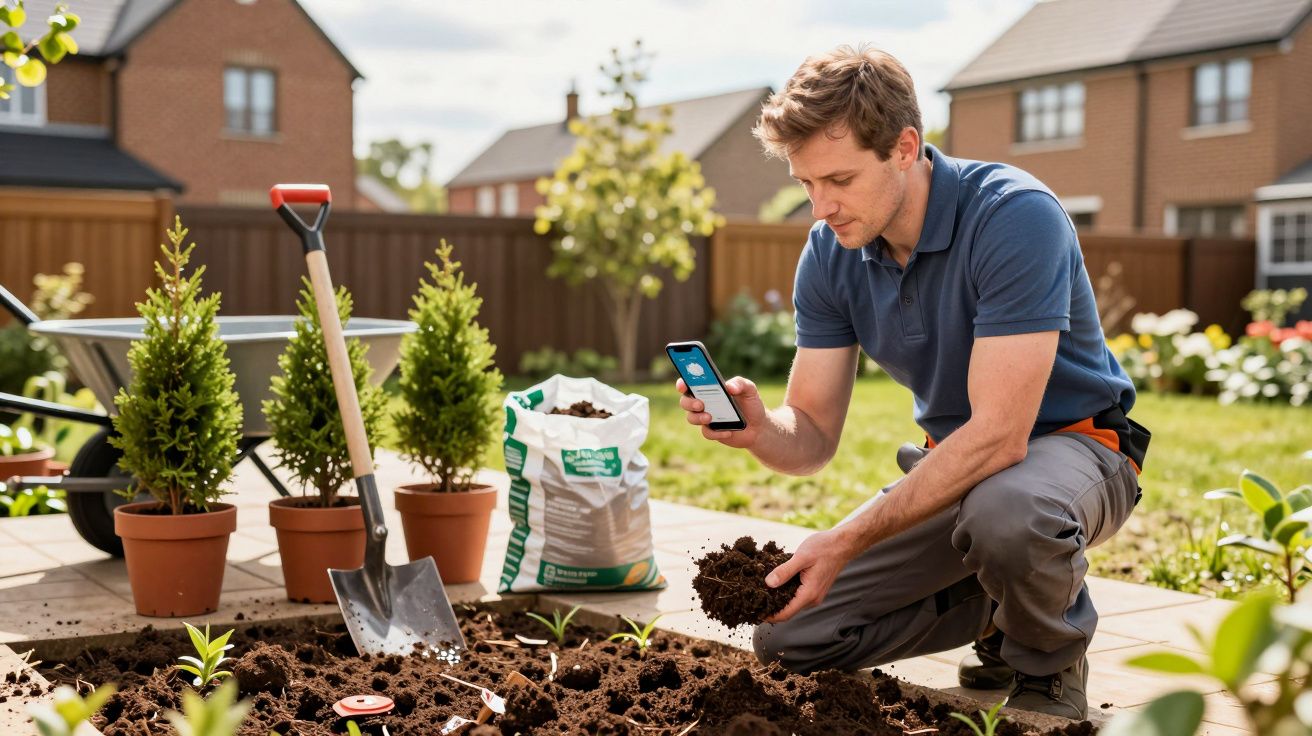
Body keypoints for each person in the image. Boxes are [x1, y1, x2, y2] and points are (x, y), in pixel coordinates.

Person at [675, 44, 1148, 720]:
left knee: (1009, 514)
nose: (820, 207)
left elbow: (999, 437)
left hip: (1077, 449)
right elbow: (810, 438)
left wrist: (844, 540)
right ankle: (1002, 608)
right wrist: (759, 429)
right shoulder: (831, 254)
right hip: (957, 470)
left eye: (838, 179)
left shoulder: (1013, 216)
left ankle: (1048, 656)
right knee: (791, 633)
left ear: (904, 147)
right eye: (806, 183)